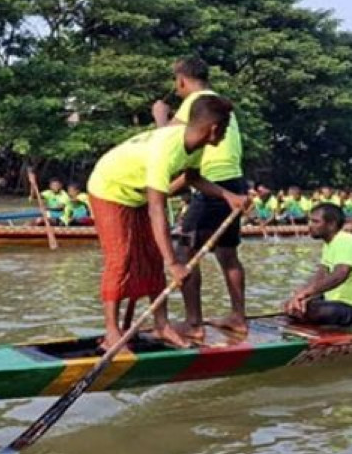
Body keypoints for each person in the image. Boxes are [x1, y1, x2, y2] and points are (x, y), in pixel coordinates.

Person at [87, 94, 246, 351]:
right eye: (226, 128)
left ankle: (162, 325)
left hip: (136, 194)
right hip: (109, 189)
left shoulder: (196, 144)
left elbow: (192, 177)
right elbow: (157, 209)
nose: (227, 133)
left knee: (152, 257)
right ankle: (112, 333)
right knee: (121, 258)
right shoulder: (165, 153)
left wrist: (227, 195)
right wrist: (174, 262)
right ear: (215, 129)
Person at [154, 57, 249, 337]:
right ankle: (238, 317)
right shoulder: (220, 102)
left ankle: (194, 324)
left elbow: (166, 143)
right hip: (234, 182)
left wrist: (160, 116)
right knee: (227, 254)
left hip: (213, 184)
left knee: (184, 253)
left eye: (176, 82)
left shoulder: (197, 103)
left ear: (181, 80)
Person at [283, 204, 352, 326]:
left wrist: (306, 293)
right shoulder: (329, 244)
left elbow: (340, 274)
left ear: (331, 224)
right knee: (291, 305)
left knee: (313, 310)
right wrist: (300, 295)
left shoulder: (346, 241)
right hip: (340, 303)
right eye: (309, 221)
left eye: (315, 221)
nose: (309, 225)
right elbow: (320, 276)